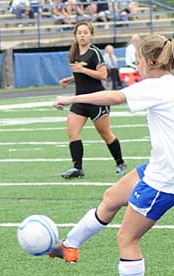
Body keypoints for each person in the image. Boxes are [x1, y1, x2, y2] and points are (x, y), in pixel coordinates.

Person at [52, 35, 174, 276]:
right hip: (160, 168)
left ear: (150, 61)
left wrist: (71, 98)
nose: (137, 66)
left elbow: (114, 96)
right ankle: (71, 245)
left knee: (127, 238)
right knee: (112, 196)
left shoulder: (157, 86)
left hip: (165, 179)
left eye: (138, 60)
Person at [58, 21, 126, 179]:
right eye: (79, 33)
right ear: (75, 35)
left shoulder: (94, 52)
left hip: (97, 99)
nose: (82, 35)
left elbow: (103, 75)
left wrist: (82, 69)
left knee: (105, 134)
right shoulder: (74, 53)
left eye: (85, 32)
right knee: (72, 132)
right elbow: (81, 75)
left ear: (91, 35)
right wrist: (70, 79)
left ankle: (120, 162)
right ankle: (77, 168)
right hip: (80, 100)